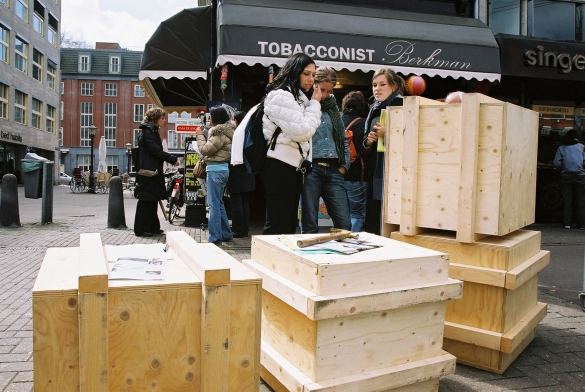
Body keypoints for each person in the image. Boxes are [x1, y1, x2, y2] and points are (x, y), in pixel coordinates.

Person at [261, 52, 322, 235]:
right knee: (277, 225)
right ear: (294, 72)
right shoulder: (281, 96)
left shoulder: (298, 98)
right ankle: (266, 262)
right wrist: (315, 105)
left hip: (291, 167)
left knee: (287, 226)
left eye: (313, 74)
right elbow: (302, 131)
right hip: (279, 166)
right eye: (306, 73)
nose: (311, 79)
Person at [301, 67, 351, 233]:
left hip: (334, 169)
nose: (324, 95)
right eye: (322, 89)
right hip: (311, 169)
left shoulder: (333, 108)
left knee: (344, 224)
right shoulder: (303, 104)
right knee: (309, 224)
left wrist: (344, 166)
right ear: (313, 84)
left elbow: (343, 139)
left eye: (329, 91)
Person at [362, 68, 405, 234]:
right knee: (374, 218)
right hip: (375, 175)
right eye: (374, 85)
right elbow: (364, 147)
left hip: (396, 175)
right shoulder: (373, 109)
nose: (376, 89)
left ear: (393, 87)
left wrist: (389, 133)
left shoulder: (403, 106)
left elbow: (412, 139)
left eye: (382, 84)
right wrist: (369, 141)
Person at [134, 108, 179, 237]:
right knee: (147, 199)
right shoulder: (149, 132)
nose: (164, 120)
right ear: (155, 119)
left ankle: (152, 227)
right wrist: (173, 159)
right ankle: (142, 229)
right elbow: (156, 151)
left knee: (152, 198)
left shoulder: (150, 131)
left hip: (151, 171)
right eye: (162, 118)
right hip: (150, 172)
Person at [195, 106, 235, 245]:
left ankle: (215, 237)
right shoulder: (226, 132)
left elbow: (206, 150)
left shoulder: (218, 133)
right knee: (219, 203)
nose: (208, 119)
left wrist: (200, 136)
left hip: (215, 170)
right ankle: (226, 234)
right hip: (222, 169)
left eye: (210, 117)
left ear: (216, 118)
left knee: (213, 205)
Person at [342, 91, 369, 232]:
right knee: (357, 214)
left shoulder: (337, 122)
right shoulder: (363, 124)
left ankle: (341, 241)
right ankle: (349, 243)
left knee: (341, 215)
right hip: (357, 176)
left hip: (337, 175)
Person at [227, 111, 255, 237]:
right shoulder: (251, 131)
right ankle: (244, 229)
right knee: (245, 202)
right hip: (248, 172)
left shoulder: (238, 133)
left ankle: (238, 230)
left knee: (237, 202)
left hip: (237, 171)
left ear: (236, 121)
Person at [553, 129, 585, 229]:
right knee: (581, 200)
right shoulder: (582, 147)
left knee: (567, 200)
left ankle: (567, 223)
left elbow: (556, 163)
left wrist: (563, 168)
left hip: (566, 176)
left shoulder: (561, 148)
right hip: (580, 175)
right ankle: (582, 224)